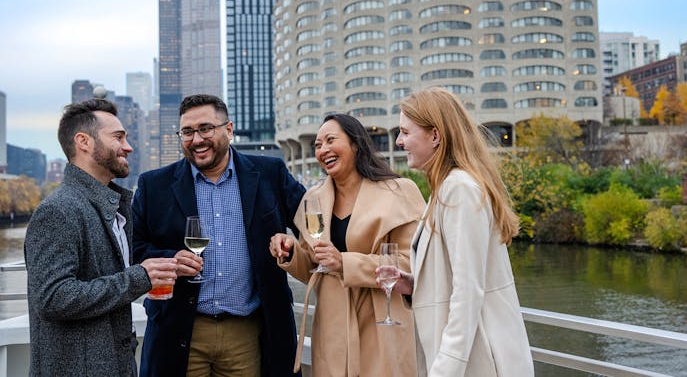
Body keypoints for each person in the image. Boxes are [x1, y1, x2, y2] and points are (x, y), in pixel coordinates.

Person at [132, 94, 305, 377]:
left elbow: (312, 224)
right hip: (179, 332)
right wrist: (170, 259)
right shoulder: (154, 185)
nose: (196, 139)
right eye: (187, 132)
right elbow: (134, 248)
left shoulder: (270, 174)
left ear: (229, 129)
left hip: (248, 333)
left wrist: (291, 245)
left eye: (205, 128)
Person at [383, 87, 534, 376]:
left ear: (435, 135)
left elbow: (468, 291)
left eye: (405, 132)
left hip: (479, 362)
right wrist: (414, 286)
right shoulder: (445, 188)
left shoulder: (458, 189)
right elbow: (457, 277)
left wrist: (444, 369)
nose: (399, 141)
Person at [24, 99, 179, 377]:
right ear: (83, 141)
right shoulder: (58, 210)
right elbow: (52, 297)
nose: (128, 146)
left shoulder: (115, 208)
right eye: (118, 137)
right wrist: (139, 278)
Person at [269, 114, 426, 376]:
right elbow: (312, 269)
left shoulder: (400, 191)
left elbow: (414, 263)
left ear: (356, 144)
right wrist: (291, 251)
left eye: (331, 140)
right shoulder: (312, 199)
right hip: (332, 331)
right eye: (317, 145)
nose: (323, 150)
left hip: (382, 323)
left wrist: (345, 263)